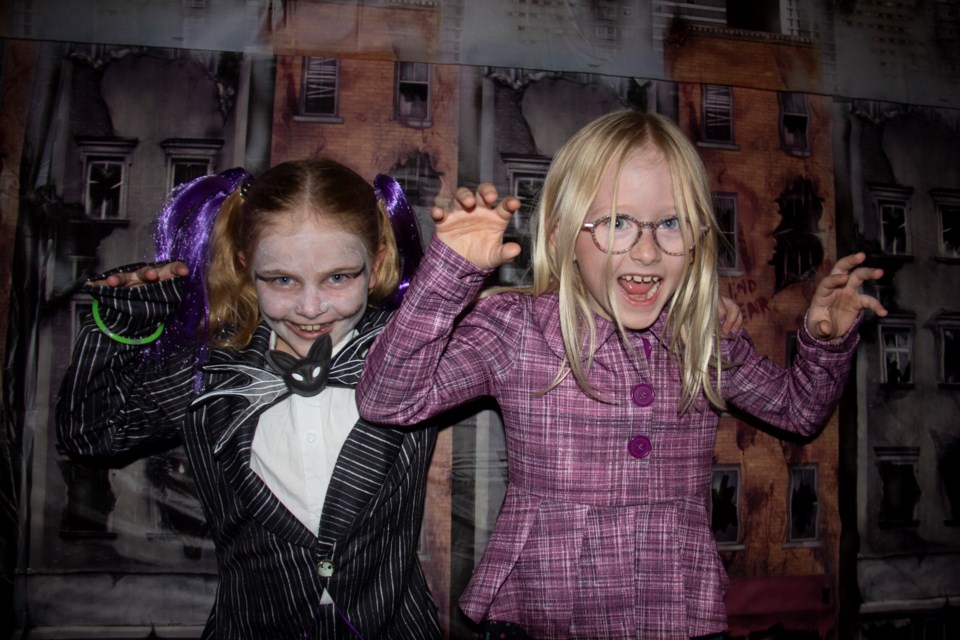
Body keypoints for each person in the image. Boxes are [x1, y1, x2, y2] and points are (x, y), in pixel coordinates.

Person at [355, 110, 888, 639]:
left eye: (671, 222)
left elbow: (798, 412)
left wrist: (824, 340)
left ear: (700, 237)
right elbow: (387, 398)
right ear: (562, 237)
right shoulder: (516, 331)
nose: (648, 250)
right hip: (547, 614)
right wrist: (448, 274)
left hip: (677, 616)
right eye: (615, 221)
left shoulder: (702, 336)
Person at [56, 158, 440, 639]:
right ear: (244, 266)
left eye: (338, 277)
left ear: (377, 262)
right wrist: (123, 328)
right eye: (281, 279)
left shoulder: (417, 351)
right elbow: (88, 436)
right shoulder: (204, 372)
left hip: (394, 626)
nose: (310, 307)